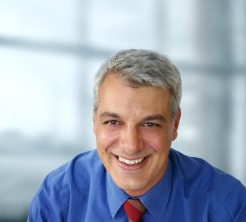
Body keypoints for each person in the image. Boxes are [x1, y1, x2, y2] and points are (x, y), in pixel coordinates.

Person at [27, 49, 246, 221]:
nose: (131, 145)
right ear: (94, 121)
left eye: (150, 124)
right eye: (113, 122)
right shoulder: (58, 197)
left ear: (175, 124)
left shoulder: (227, 206)